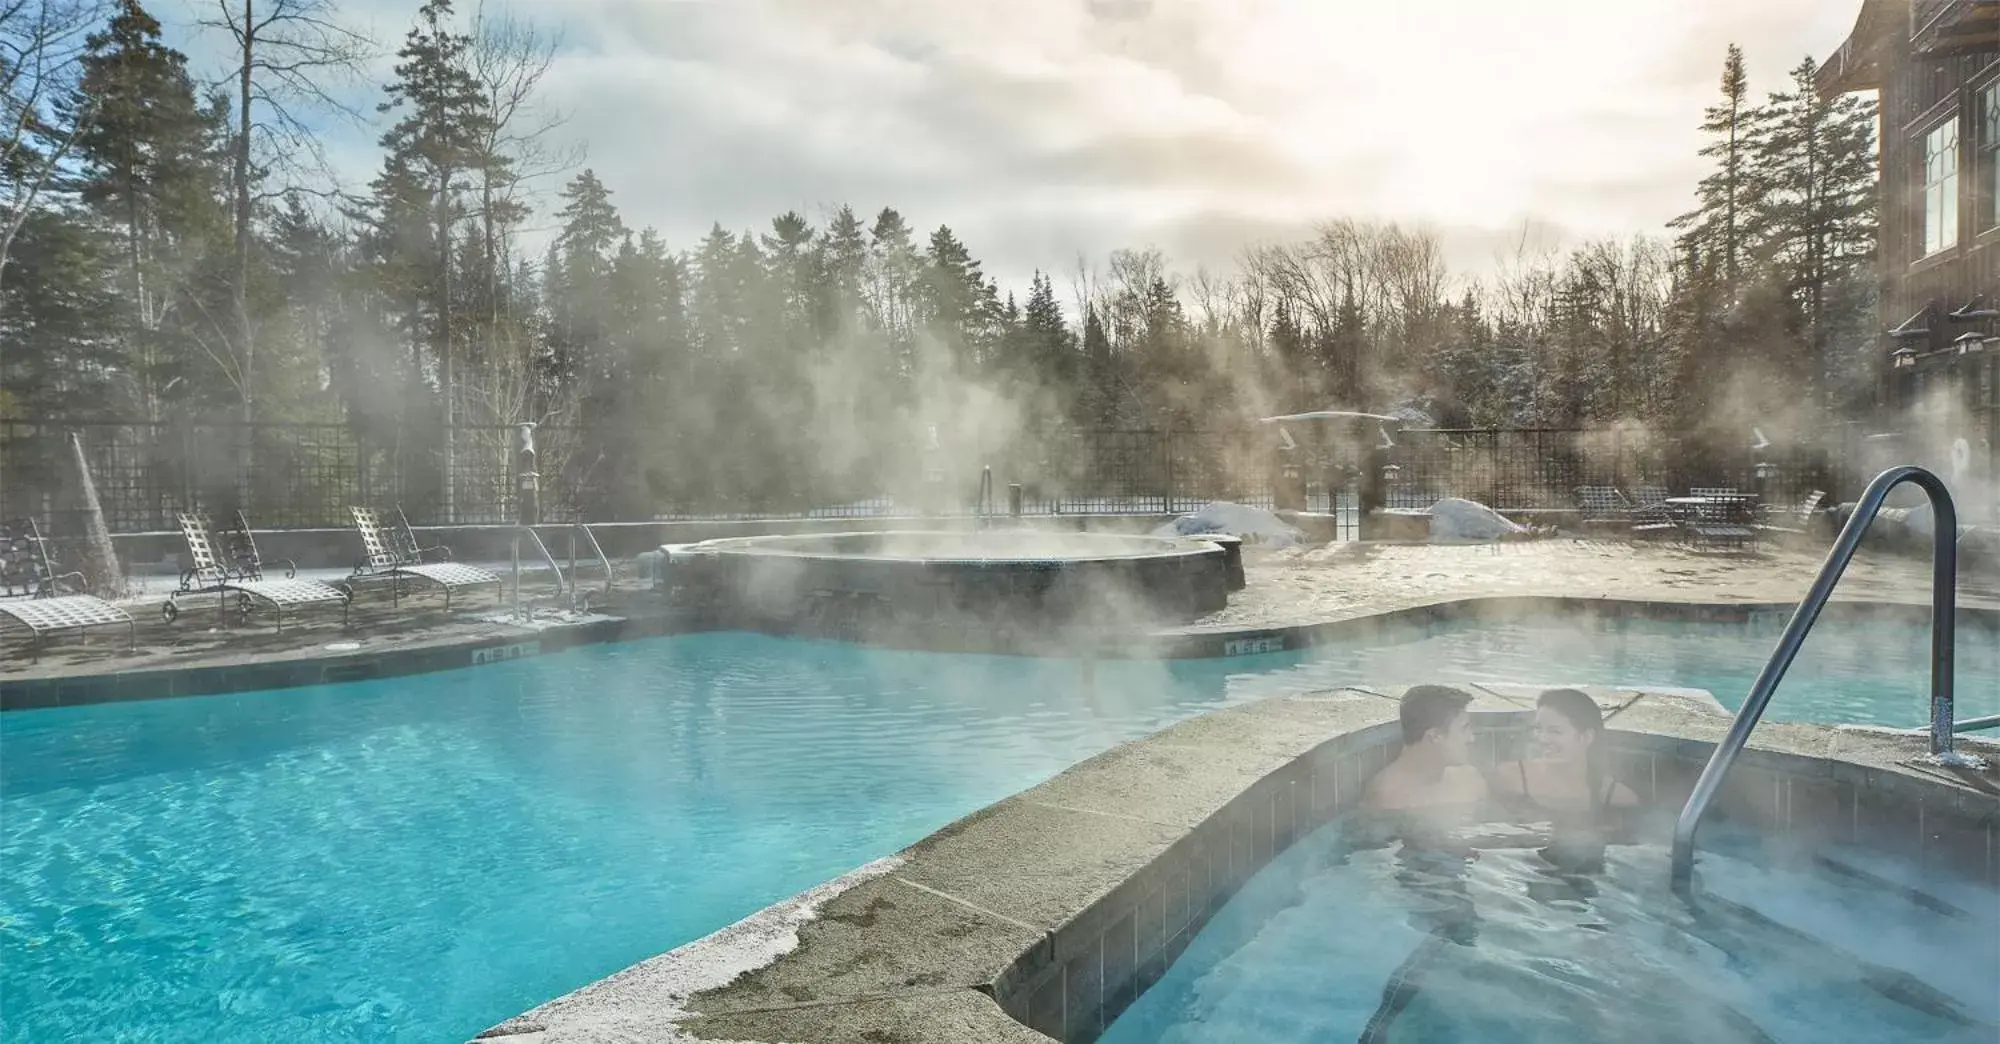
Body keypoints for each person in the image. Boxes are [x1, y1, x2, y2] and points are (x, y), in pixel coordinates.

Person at [1493, 688, 1640, 873]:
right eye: (1538, 729)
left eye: (1555, 731)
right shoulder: (1512, 778)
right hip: (1517, 874)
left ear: (1586, 737)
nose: (1542, 739)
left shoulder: (1616, 797)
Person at [1362, 685, 1488, 814]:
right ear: (1434, 736)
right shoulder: (1389, 798)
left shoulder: (1470, 779)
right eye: (1464, 729)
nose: (1471, 738)